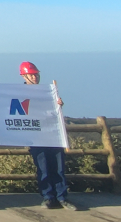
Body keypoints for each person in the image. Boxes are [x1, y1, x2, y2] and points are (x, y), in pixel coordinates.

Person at [21, 61, 79, 210]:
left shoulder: (48, 91)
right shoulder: (20, 93)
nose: (35, 77)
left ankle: (62, 197)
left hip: (53, 135)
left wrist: (59, 105)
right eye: (31, 75)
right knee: (43, 168)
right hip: (36, 137)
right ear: (24, 76)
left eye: (36, 74)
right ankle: (48, 197)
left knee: (58, 168)